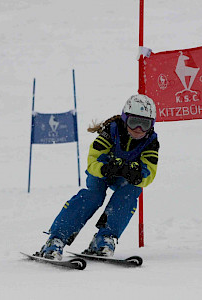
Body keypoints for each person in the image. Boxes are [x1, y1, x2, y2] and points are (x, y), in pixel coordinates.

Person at [36, 94, 160, 260]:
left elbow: (149, 174)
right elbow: (92, 162)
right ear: (125, 119)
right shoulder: (112, 130)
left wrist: (136, 174)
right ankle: (56, 239)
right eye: (133, 122)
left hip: (125, 178)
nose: (138, 129)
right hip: (101, 173)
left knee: (130, 193)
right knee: (93, 196)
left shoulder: (150, 141)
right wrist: (107, 168)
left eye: (145, 124)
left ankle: (105, 238)